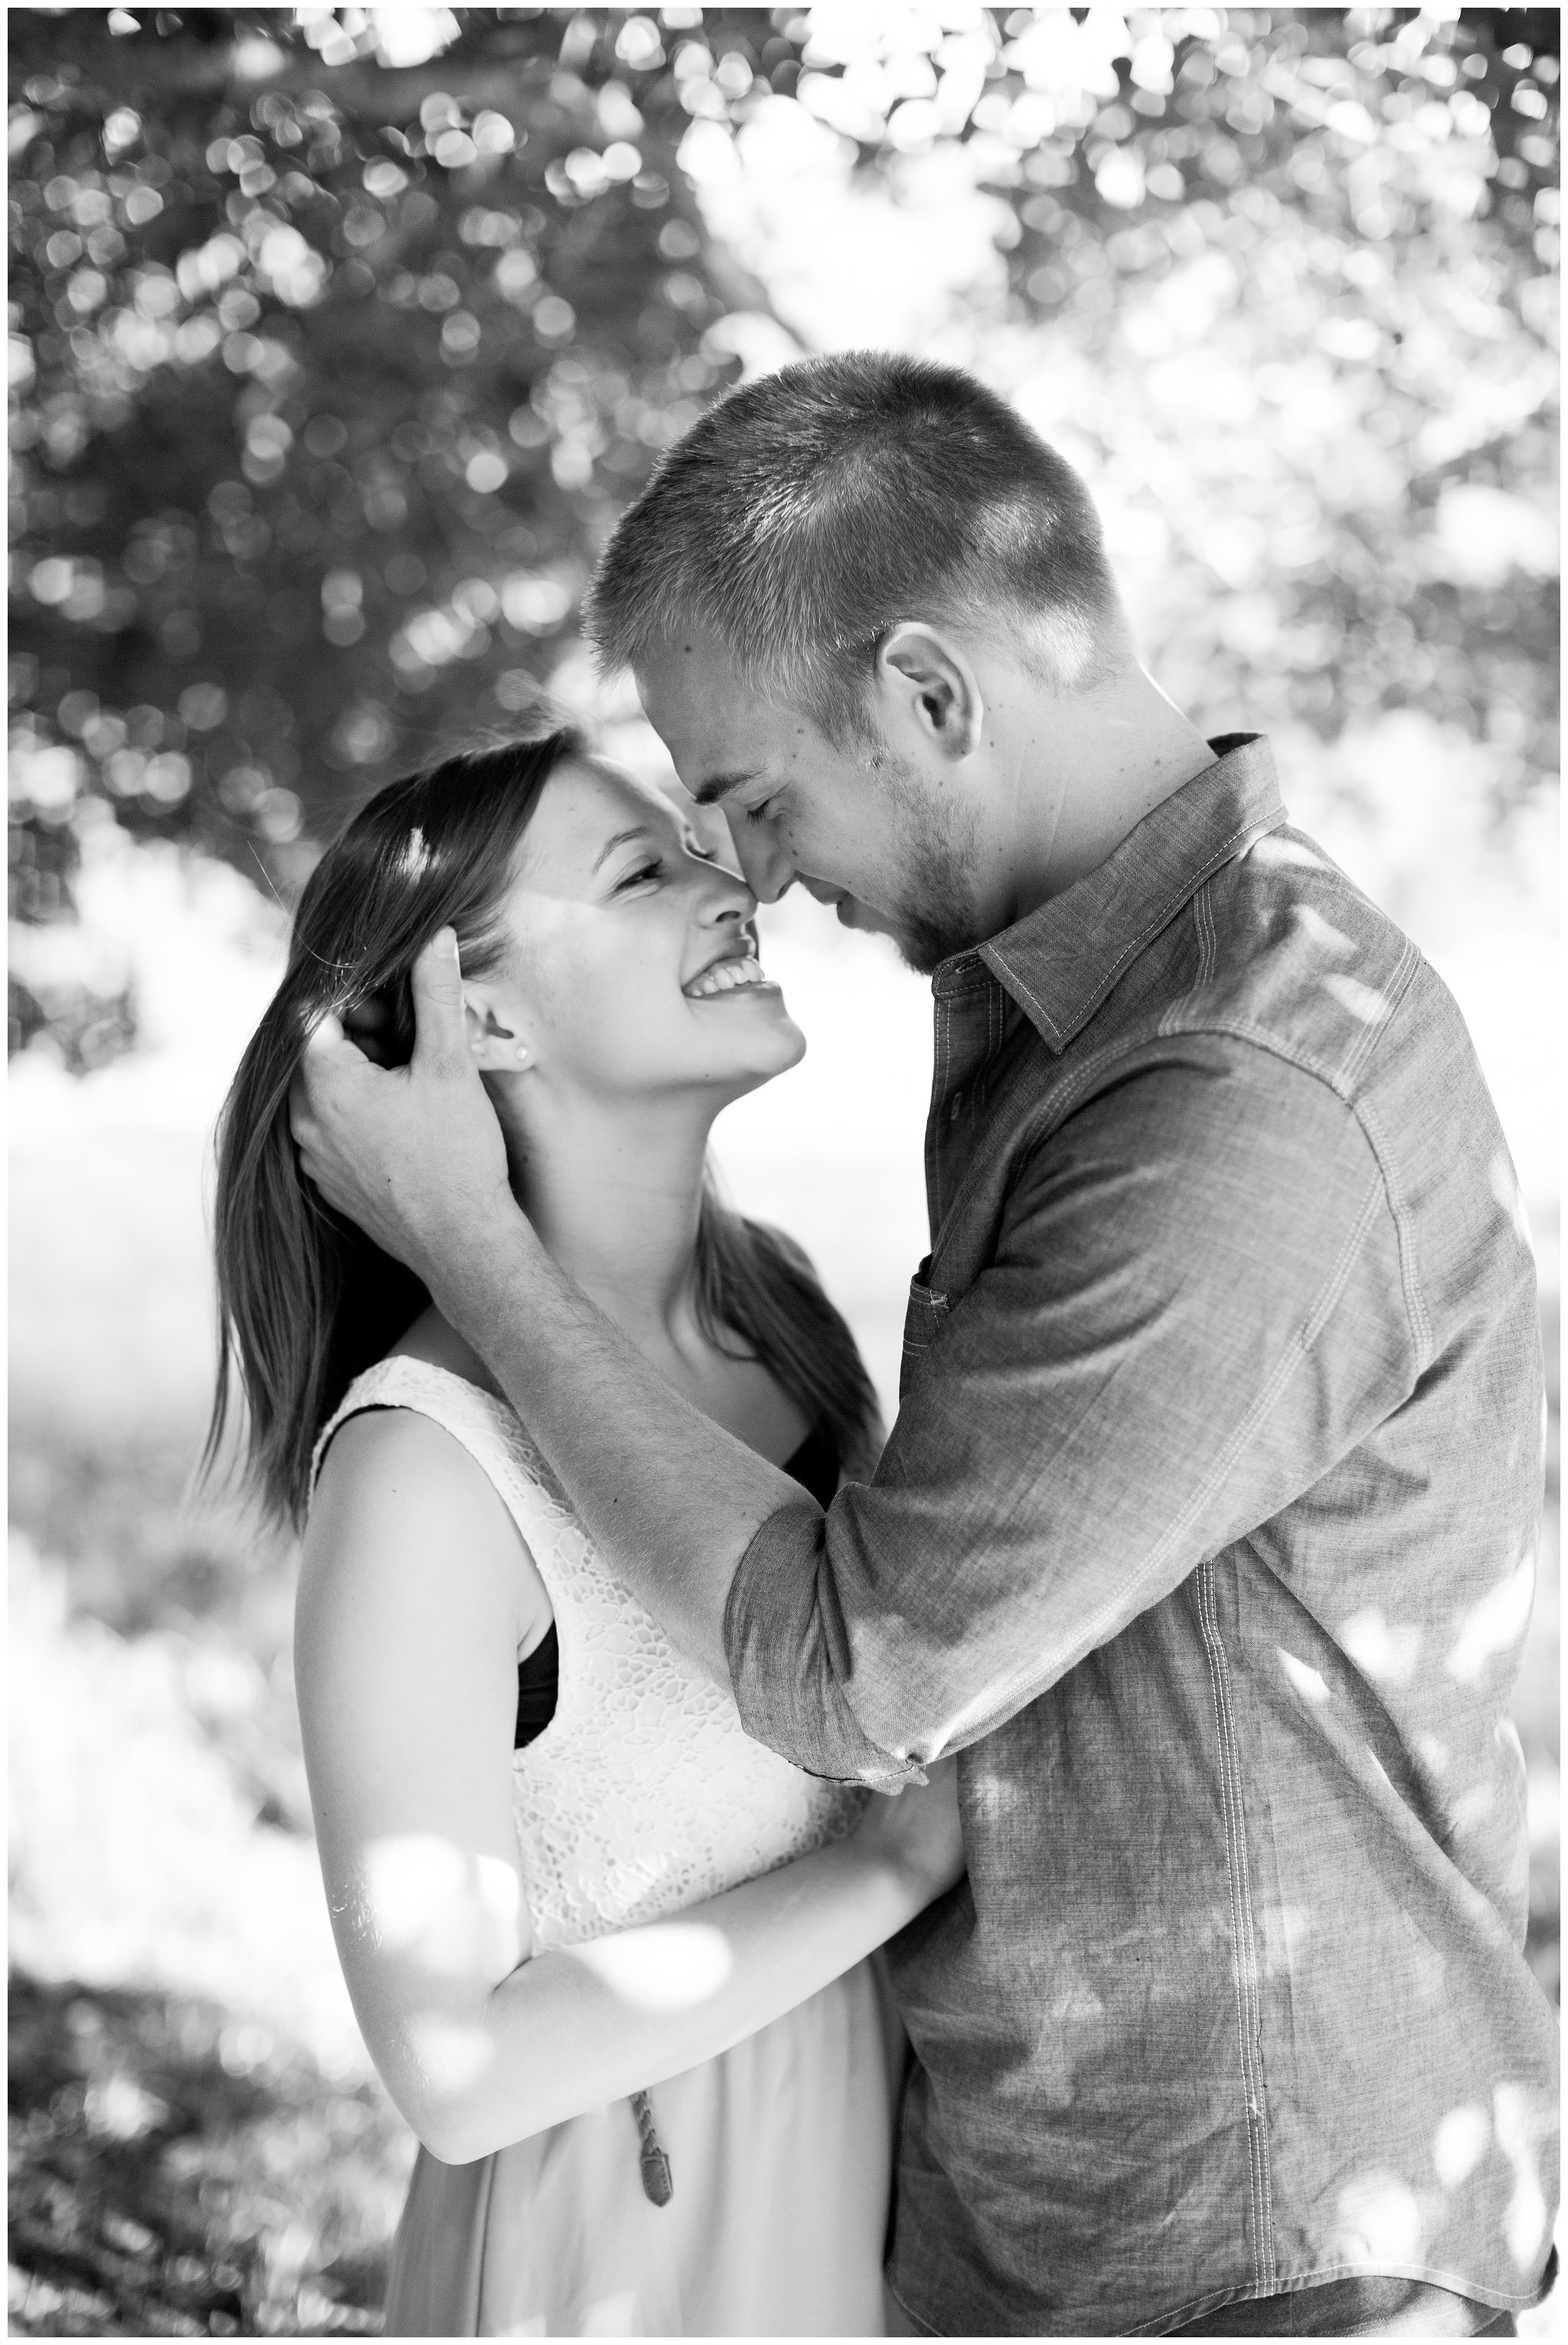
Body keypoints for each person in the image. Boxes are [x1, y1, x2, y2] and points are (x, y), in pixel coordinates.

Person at [292, 355, 1559, 2337]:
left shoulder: (1232, 1085)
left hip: (1257, 2239)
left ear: (934, 696)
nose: (756, 876)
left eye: (751, 798)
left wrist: (468, 1228)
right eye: (683, 838)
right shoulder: (1052, 1027)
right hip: (1001, 2237)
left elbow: (862, 1667)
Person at [208, 728, 965, 2337]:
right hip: (634, 2255)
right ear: (478, 1016)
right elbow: (455, 2072)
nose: (732, 881)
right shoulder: (425, 1474)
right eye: (642, 871)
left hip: (882, 2209)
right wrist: (901, 1863)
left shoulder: (784, 1325)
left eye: (696, 844)